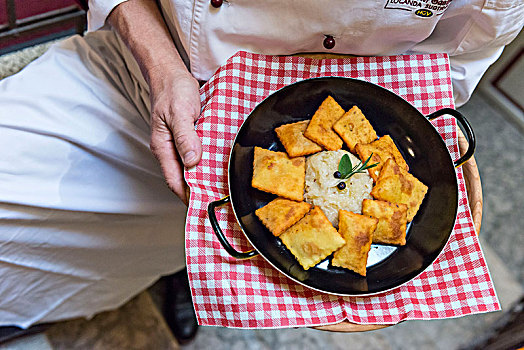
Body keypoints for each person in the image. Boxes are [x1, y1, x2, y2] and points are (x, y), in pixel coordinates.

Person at [0, 0, 522, 343]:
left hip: (297, 135)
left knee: (193, 247)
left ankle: (186, 268)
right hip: (140, 74)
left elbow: (459, 53)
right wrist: (162, 69)